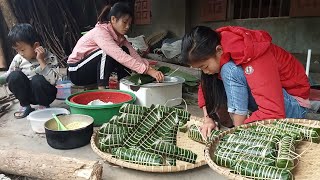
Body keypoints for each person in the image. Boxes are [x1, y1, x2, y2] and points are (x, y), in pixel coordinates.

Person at [181, 26, 310, 137]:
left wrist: (239, 131)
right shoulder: (217, 48)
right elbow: (206, 87)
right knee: (217, 76)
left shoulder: (251, 51)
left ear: (219, 50)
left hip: (294, 107)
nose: (205, 71)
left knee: (229, 71)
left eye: (205, 67)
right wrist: (208, 119)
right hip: (277, 102)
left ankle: (238, 130)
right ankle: (239, 125)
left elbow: (273, 111)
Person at [67, 2, 164, 89]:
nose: (127, 27)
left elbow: (134, 55)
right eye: (124, 22)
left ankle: (124, 84)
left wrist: (149, 69)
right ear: (113, 19)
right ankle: (102, 89)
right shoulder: (101, 32)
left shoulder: (121, 38)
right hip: (76, 71)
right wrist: (146, 70)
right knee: (107, 53)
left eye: (129, 24)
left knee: (125, 50)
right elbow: (120, 56)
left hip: (90, 73)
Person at [0, 23, 59, 118]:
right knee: (14, 75)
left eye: (22, 50)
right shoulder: (18, 58)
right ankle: (25, 106)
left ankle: (43, 106)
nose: (20, 53)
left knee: (37, 79)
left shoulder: (49, 57)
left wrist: (41, 61)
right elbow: (9, 75)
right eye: (17, 50)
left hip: (45, 94)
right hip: (27, 95)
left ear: (36, 46)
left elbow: (54, 80)